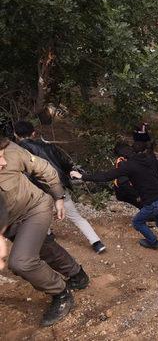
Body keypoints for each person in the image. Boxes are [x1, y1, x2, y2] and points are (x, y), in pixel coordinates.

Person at [0, 134, 89, 327]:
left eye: (1, 154)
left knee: (21, 262)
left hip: (35, 208)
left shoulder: (12, 150)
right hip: (10, 222)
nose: (3, 161)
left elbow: (44, 168)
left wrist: (58, 197)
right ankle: (77, 275)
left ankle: (61, 293)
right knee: (44, 247)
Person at [13, 121, 106, 254]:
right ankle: (96, 242)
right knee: (75, 216)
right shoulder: (48, 146)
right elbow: (65, 164)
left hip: (38, 189)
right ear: (33, 133)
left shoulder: (17, 151)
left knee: (39, 214)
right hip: (58, 186)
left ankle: (48, 236)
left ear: (15, 134)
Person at [71, 142, 158, 250]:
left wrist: (82, 176)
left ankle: (153, 242)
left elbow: (106, 176)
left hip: (152, 203)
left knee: (137, 222)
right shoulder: (150, 158)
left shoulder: (128, 166)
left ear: (123, 156)